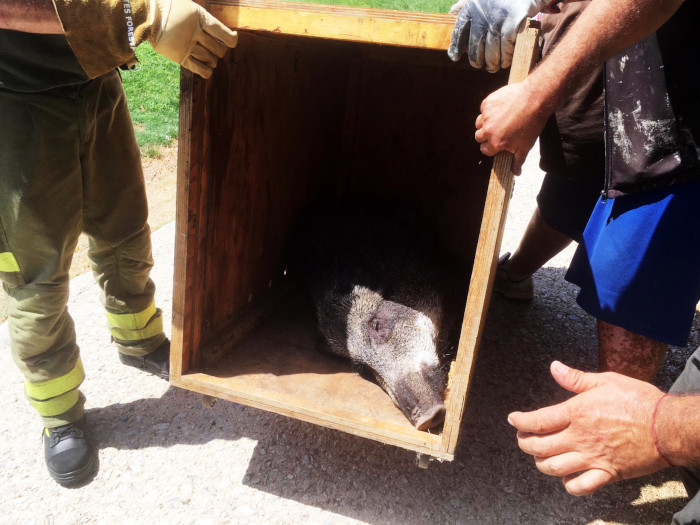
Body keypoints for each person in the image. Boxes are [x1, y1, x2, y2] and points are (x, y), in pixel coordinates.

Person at [448, 0, 700, 521]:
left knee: (633, 243)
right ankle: (514, 274)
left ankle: (627, 432)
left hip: (671, 66)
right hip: (611, 50)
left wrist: (539, 92)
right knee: (577, 177)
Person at [0, 0, 237, 486]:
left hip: (96, 82)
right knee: (36, 278)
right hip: (16, 104)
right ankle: (59, 413)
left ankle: (137, 337)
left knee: (125, 230)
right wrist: (137, 16)